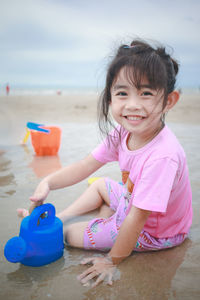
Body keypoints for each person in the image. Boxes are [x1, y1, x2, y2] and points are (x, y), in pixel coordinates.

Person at [18, 39, 192, 287]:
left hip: (156, 232)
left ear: (168, 101)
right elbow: (84, 166)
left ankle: (84, 225)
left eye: (146, 93)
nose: (133, 105)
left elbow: (136, 219)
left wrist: (111, 260)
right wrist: (48, 182)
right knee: (99, 185)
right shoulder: (123, 133)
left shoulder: (163, 156)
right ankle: (65, 217)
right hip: (134, 206)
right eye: (122, 93)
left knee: (68, 236)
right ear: (110, 98)